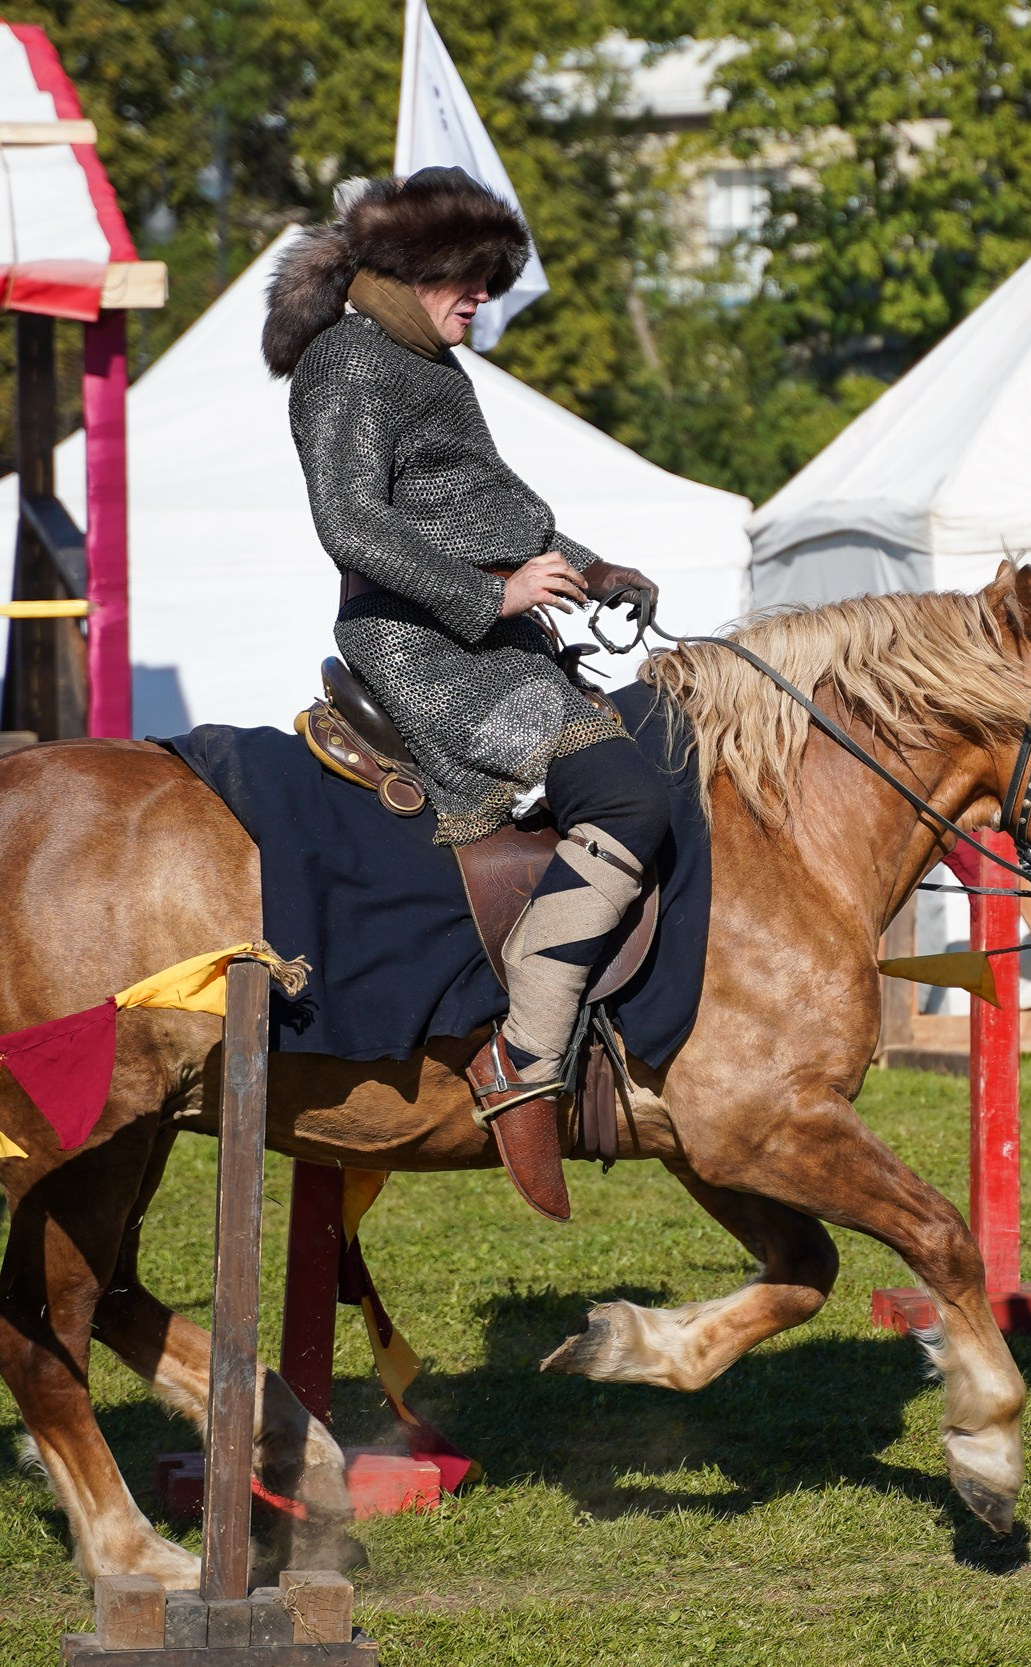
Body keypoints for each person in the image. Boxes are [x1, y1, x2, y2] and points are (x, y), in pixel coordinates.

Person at [264, 169, 669, 1221]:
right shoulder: (349, 363)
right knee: (628, 799)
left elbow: (478, 510)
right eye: (473, 278)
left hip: (486, 638)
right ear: (413, 267)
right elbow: (350, 525)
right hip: (423, 651)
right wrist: (493, 594)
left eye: (491, 279)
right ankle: (525, 1057)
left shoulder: (426, 360)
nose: (483, 298)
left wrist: (593, 564)